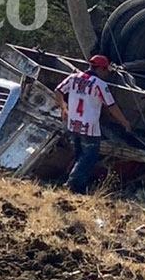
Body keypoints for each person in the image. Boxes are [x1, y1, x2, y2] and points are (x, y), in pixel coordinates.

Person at [54, 54, 133, 194]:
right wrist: (125, 122)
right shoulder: (100, 85)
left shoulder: (73, 78)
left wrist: (64, 108)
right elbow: (111, 106)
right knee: (88, 158)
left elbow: (58, 90)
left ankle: (77, 186)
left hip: (73, 124)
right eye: (106, 70)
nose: (107, 73)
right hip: (89, 128)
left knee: (79, 155)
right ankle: (71, 185)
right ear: (101, 69)